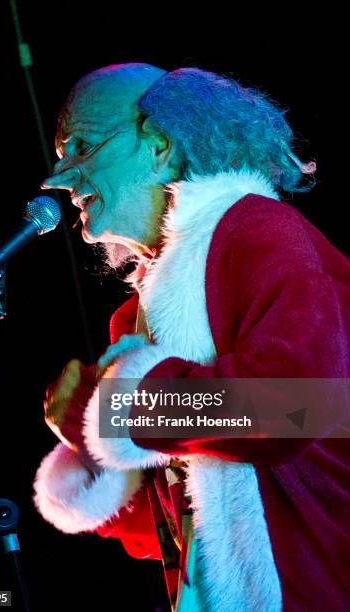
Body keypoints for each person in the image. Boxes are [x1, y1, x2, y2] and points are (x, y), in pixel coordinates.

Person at [33, 63, 350, 611]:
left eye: (81, 147)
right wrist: (93, 456)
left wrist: (110, 411)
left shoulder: (259, 232)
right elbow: (183, 523)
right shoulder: (132, 318)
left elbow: (296, 407)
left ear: (158, 144)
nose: (58, 178)